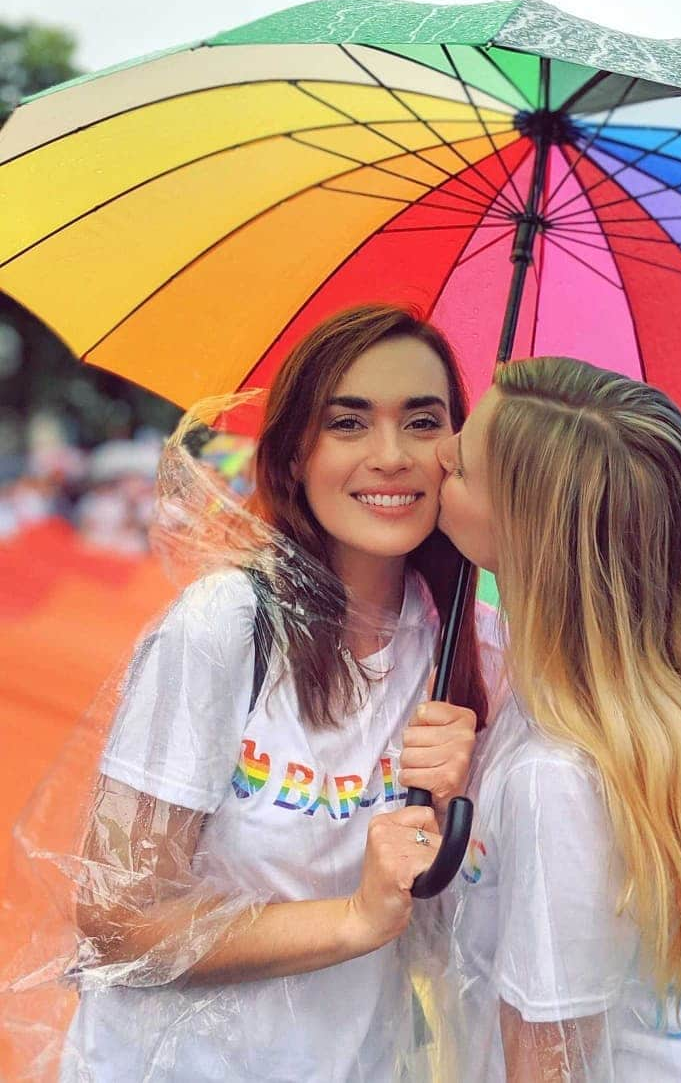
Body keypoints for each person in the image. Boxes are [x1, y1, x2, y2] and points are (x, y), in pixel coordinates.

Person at [46, 304, 502, 1082]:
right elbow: (116, 921)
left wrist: (452, 816)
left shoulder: (476, 649)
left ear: (455, 455)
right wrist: (351, 919)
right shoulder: (226, 626)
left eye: (422, 423)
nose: (390, 456)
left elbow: (451, 944)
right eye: (348, 424)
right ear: (293, 454)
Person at [432, 357, 681, 1082]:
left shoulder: (552, 777)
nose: (439, 450)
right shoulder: (671, 700)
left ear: (527, 533)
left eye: (463, 463)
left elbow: (548, 1062)